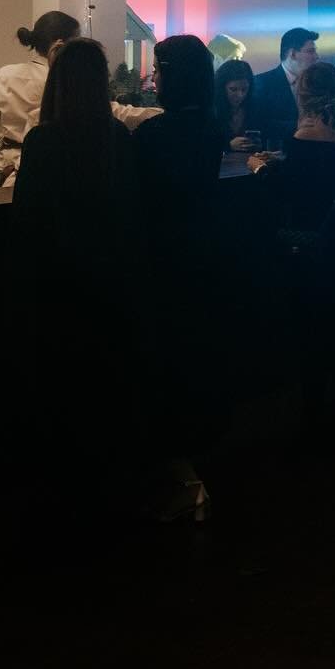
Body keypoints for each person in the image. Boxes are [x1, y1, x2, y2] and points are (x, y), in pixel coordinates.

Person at [11, 38, 142, 504]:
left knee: (64, 391)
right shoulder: (119, 138)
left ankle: (65, 489)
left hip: (60, 287)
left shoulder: (44, 142)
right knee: (105, 387)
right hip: (111, 282)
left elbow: (27, 218)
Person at [132, 35, 226, 521]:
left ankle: (179, 476)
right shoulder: (212, 126)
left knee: (165, 367)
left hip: (163, 260)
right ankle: (193, 465)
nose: (153, 79)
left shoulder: (153, 136)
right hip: (203, 254)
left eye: (159, 71)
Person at [250, 63, 335, 433]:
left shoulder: (300, 139)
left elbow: (288, 193)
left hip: (309, 246)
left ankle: (312, 406)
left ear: (304, 92)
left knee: (311, 324)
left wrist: (259, 168)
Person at [0, 11, 158, 186]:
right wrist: (162, 113)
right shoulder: (68, 80)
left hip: (4, 169)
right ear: (61, 44)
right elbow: (114, 112)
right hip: (53, 170)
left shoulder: (4, 75)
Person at [251, 27, 319, 144]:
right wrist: (296, 125)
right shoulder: (262, 83)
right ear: (292, 54)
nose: (317, 56)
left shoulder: (317, 84)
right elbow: (258, 123)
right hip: (276, 154)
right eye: (310, 51)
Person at [214, 58, 258, 148]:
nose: (240, 95)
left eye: (244, 89)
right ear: (222, 88)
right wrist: (228, 146)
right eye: (233, 89)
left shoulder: (254, 107)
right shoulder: (211, 110)